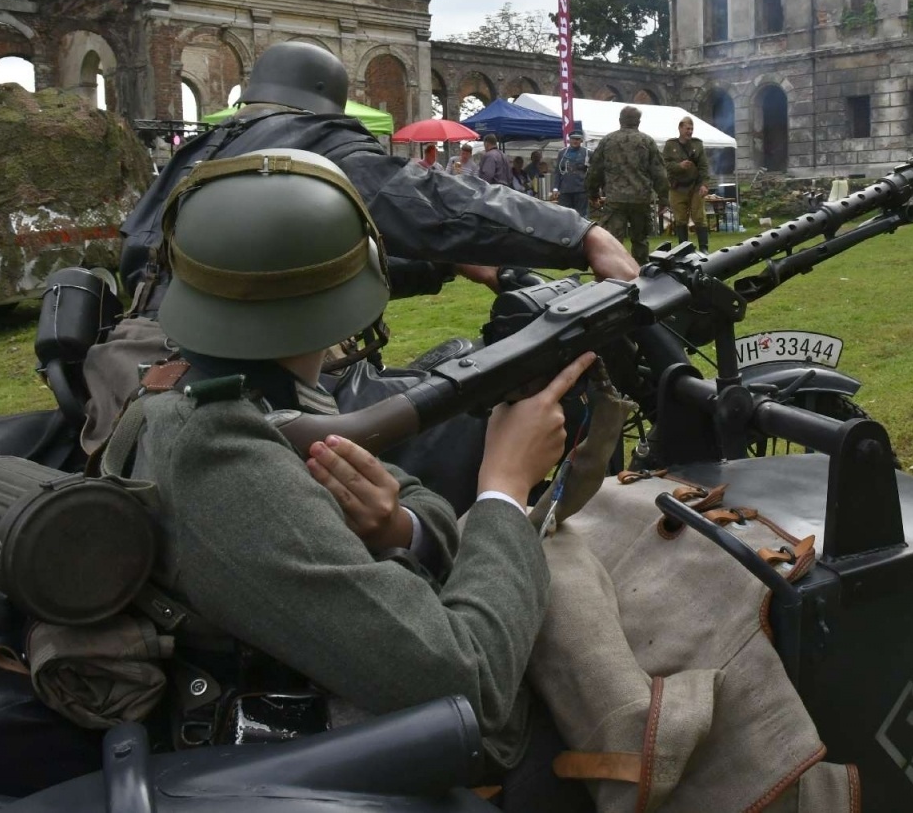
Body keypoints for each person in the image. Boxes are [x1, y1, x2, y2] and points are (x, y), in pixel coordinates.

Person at [119, 148, 595, 787]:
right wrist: (504, 488)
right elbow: (471, 686)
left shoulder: (243, 381)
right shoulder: (220, 454)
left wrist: (398, 529)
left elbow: (413, 498)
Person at [120, 43, 637, 313]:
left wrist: (443, 268)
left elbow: (309, 267)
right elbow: (429, 200)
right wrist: (580, 234)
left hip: (156, 353)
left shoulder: (198, 154)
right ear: (328, 96)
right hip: (251, 370)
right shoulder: (316, 143)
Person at [587, 106, 668, 264]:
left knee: (613, 242)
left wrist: (593, 193)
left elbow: (594, 170)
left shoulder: (608, 141)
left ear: (620, 120)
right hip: (641, 199)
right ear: (638, 121)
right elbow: (659, 172)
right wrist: (663, 198)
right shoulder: (647, 141)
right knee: (640, 241)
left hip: (616, 199)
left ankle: (615, 273)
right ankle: (641, 271)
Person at [662, 116, 712, 252]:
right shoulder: (670, 145)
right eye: (687, 129)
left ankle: (704, 248)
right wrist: (679, 166)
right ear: (680, 128)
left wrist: (704, 184)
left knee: (699, 217)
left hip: (695, 186)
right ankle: (684, 249)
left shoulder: (697, 145)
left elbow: (703, 166)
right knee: (680, 219)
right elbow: (665, 164)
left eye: (691, 129)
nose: (689, 132)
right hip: (677, 187)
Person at [555, 130, 590, 218]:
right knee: (565, 215)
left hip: (581, 190)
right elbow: (558, 171)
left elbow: (594, 171)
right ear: (569, 140)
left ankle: (582, 232)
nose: (575, 141)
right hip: (565, 190)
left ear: (581, 140)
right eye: (573, 139)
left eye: (578, 139)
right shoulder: (562, 153)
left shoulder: (587, 153)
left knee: (581, 217)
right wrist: (555, 188)